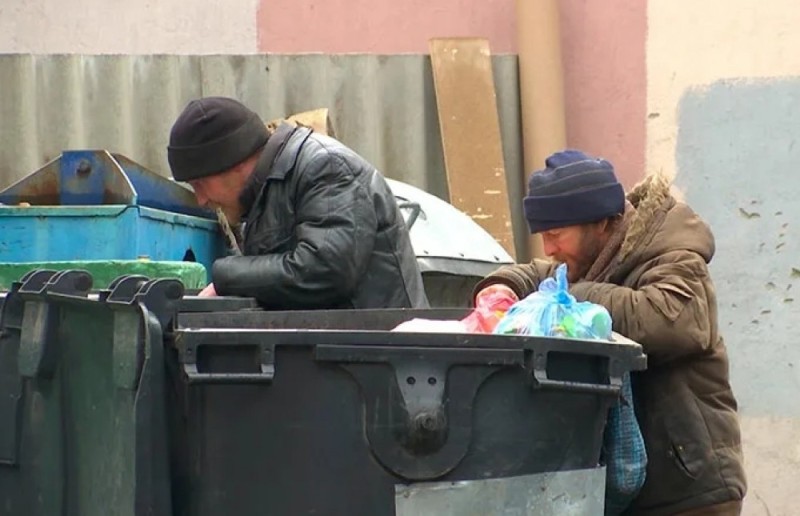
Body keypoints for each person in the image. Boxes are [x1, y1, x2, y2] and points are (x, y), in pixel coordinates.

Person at [473, 150, 746, 515]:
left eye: (555, 234)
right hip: (632, 492)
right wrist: (501, 286)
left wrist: (574, 296)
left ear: (600, 223)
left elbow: (674, 323)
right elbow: (541, 273)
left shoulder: (673, 255)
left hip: (689, 486)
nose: (549, 248)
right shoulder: (593, 260)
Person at [166, 96, 428, 310]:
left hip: (384, 358)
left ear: (235, 163)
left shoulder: (326, 167)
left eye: (200, 184)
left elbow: (325, 271)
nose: (201, 200)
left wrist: (226, 277)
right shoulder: (265, 191)